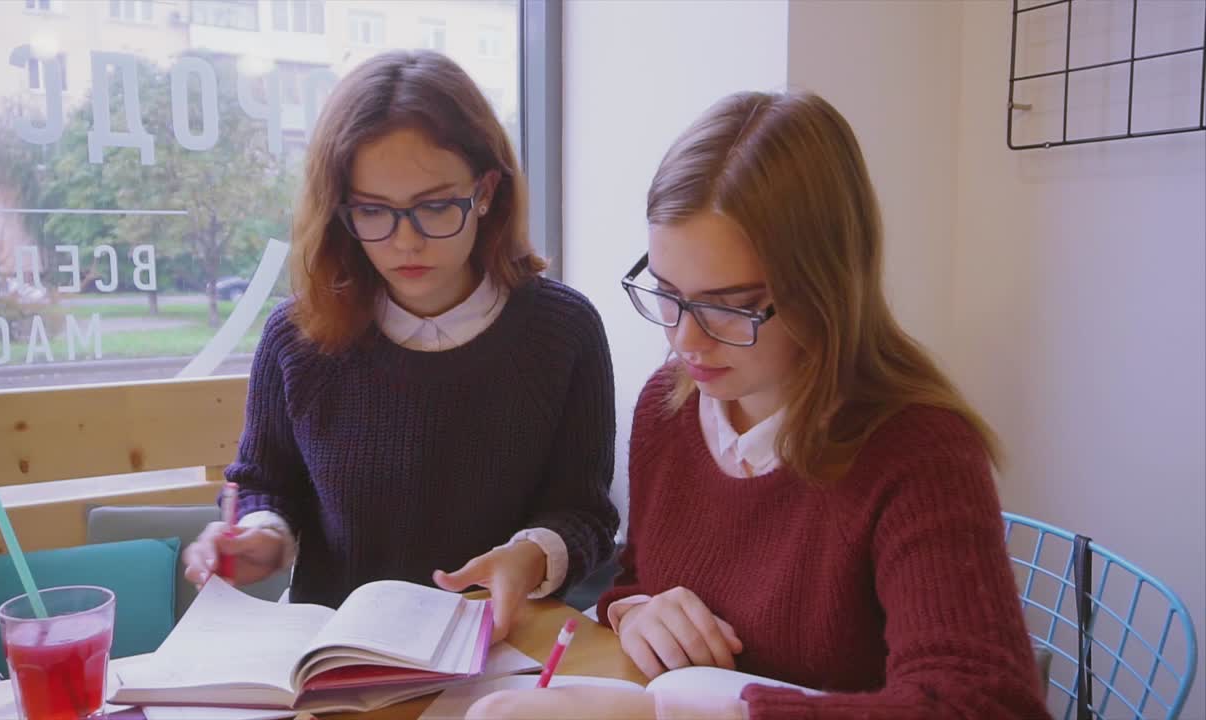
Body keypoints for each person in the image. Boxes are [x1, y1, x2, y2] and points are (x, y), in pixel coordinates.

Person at [468, 90, 1051, 718]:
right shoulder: (667, 408)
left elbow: (985, 703)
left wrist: (693, 714)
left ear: (825, 287)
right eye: (667, 293)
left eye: (728, 305)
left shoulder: (917, 453)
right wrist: (637, 611)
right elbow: (639, 575)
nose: (684, 340)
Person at [182, 50, 619, 643]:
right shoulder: (297, 336)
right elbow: (266, 481)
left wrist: (532, 554)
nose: (405, 241)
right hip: (336, 656)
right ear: (341, 211)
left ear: (486, 191)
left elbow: (584, 512)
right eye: (373, 211)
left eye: (435, 206)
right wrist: (262, 534)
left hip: (498, 652)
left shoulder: (564, 331)